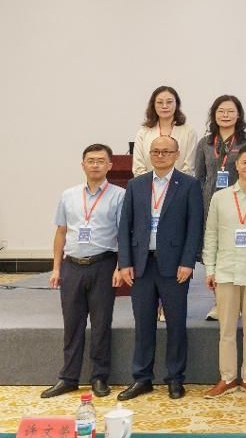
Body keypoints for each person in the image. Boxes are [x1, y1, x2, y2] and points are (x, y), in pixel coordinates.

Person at [116, 135, 204, 401]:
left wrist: (188, 262)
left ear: (177, 154)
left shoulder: (189, 185)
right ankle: (142, 378)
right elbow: (125, 226)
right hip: (141, 265)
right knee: (143, 324)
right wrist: (125, 262)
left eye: (166, 151)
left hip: (175, 265)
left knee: (176, 324)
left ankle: (175, 378)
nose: (160, 155)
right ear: (149, 154)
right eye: (155, 151)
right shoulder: (136, 184)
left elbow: (194, 226)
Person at [42, 144, 126, 399]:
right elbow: (61, 232)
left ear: (110, 165)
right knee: (72, 324)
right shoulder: (68, 195)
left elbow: (124, 234)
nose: (95, 165)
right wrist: (56, 267)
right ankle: (68, 378)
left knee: (101, 324)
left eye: (101, 160)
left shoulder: (119, 196)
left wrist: (120, 266)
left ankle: (99, 377)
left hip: (103, 265)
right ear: (83, 165)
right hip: (72, 266)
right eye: (91, 160)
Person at [201, 145, 246, 398]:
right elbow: (211, 234)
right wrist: (210, 268)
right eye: (245, 162)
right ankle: (227, 377)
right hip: (226, 270)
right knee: (227, 329)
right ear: (237, 165)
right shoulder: (220, 198)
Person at [194, 94, 246, 321]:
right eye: (221, 111)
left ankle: (238, 302)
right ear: (214, 115)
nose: (226, 115)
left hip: (239, 204)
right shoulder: (205, 143)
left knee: (238, 251)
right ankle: (219, 303)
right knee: (216, 254)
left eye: (230, 111)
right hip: (210, 204)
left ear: (238, 115)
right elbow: (199, 177)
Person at [132, 86, 198, 177]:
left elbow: (189, 168)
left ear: (177, 104)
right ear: (153, 105)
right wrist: (153, 182)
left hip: (180, 184)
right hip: (147, 184)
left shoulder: (189, 132)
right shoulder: (143, 132)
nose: (164, 106)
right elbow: (138, 168)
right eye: (159, 102)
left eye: (169, 102)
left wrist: (171, 183)